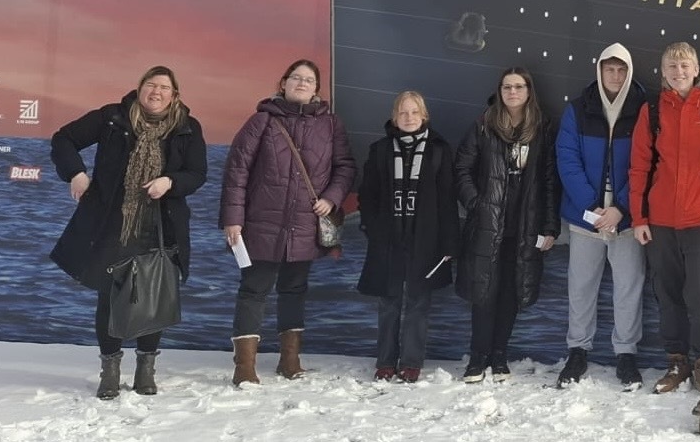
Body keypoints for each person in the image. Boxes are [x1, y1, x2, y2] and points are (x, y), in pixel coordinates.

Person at [50, 66, 207, 399]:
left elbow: (197, 173)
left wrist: (170, 181)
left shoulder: (188, 127)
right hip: (112, 223)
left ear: (174, 95)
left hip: (161, 225)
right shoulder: (112, 117)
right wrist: (76, 173)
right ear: (139, 88)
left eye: (164, 87)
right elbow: (64, 139)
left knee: (154, 297)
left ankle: (145, 370)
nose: (157, 92)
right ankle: (110, 370)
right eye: (151, 85)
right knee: (109, 296)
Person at [221, 58, 356, 387]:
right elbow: (237, 171)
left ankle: (290, 360)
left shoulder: (330, 125)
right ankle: (244, 367)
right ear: (283, 83)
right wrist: (233, 219)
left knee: (294, 291)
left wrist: (331, 198)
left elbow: (345, 167)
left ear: (317, 89)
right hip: (261, 223)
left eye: (309, 80)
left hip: (305, 225)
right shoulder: (262, 121)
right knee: (253, 291)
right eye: (296, 77)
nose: (302, 83)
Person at [629, 42, 700, 394]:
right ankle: (677, 362)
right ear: (663, 72)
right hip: (660, 219)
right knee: (668, 293)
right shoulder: (652, 109)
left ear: (696, 68)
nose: (679, 72)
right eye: (672, 67)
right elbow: (639, 166)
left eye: (685, 65)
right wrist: (639, 217)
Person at [455, 66, 560, 383]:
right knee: (484, 292)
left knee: (511, 294)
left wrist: (550, 226)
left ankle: (499, 356)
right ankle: (477, 357)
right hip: (488, 225)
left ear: (529, 91)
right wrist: (476, 204)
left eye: (518, 87)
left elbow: (549, 180)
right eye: (507, 87)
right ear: (499, 92)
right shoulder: (484, 125)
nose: (512, 92)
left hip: (524, 226)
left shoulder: (541, 128)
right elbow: (461, 169)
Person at [555, 43, 650, 391]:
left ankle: (626, 354)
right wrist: (591, 207)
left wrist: (621, 207)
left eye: (621, 70)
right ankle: (578, 351)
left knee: (629, 288)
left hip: (626, 219)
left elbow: (647, 162)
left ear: (629, 72)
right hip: (586, 219)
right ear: (599, 71)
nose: (615, 76)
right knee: (581, 287)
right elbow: (567, 159)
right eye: (609, 69)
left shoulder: (643, 109)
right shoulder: (578, 109)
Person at [356, 91, 459, 383]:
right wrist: (372, 228)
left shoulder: (439, 150)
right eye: (403, 112)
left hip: (425, 238)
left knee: (418, 301)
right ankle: (385, 361)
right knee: (388, 301)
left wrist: (450, 241)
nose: (409, 118)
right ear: (394, 117)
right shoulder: (380, 150)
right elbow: (368, 194)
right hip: (388, 238)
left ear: (424, 116)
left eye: (414, 112)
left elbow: (447, 199)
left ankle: (411, 362)